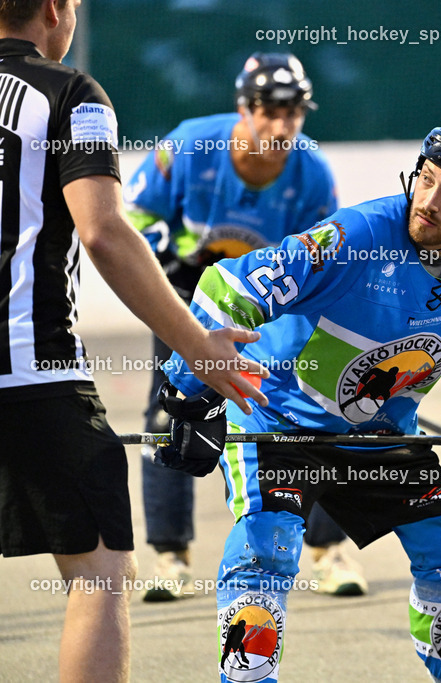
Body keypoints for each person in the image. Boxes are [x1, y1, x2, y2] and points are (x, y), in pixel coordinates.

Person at [156, 112, 441, 683]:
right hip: (274, 418)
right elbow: (226, 287)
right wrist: (190, 395)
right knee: (268, 548)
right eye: (425, 178)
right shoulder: (354, 237)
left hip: (374, 433)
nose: (428, 200)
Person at [0, 1, 267, 681]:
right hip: (33, 374)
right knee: (99, 572)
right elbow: (105, 233)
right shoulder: (69, 93)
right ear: (58, 10)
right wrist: (199, 346)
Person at [124, 52, 368, 600]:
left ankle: (327, 550)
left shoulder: (311, 172)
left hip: (268, 314)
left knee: (316, 412)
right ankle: (171, 557)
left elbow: (323, 258)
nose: (281, 126)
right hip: (188, 303)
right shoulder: (191, 145)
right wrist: (170, 259)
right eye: (268, 111)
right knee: (171, 413)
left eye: (294, 112)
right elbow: (131, 214)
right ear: (243, 107)